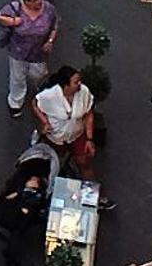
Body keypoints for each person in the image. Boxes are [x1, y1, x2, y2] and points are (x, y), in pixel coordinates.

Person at [32, 67, 113, 207]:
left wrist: (89, 139)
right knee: (50, 167)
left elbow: (88, 114)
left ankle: (93, 198)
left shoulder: (84, 92)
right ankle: (43, 196)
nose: (79, 84)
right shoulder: (50, 96)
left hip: (77, 135)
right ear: (65, 85)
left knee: (85, 164)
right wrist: (44, 122)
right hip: (56, 137)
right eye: (76, 82)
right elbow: (35, 103)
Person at [0, 0, 58, 116]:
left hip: (38, 52)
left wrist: (50, 40)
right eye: (34, 0)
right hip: (18, 51)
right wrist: (13, 21)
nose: (39, 2)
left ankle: (35, 85)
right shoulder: (15, 8)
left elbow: (54, 25)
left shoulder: (48, 9)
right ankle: (15, 102)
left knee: (39, 73)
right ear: (26, 1)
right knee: (17, 77)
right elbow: (0, 16)